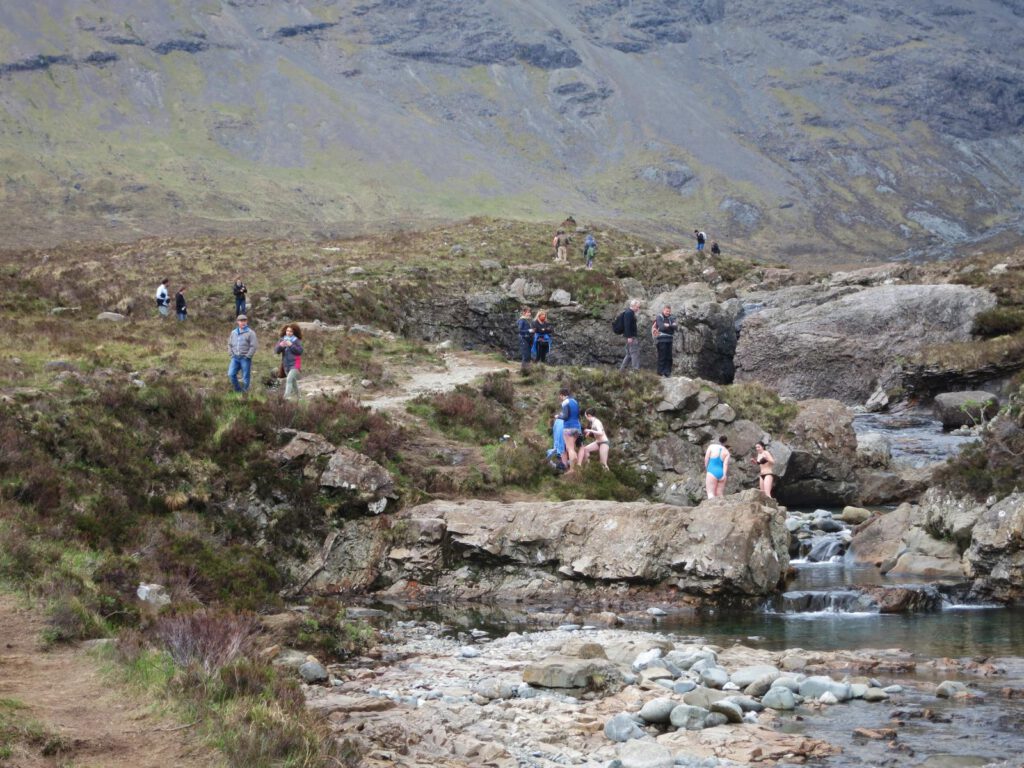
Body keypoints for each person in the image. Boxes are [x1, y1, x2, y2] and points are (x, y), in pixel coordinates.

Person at [227, 314, 258, 393]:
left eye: (244, 321)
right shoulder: (233, 332)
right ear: (238, 322)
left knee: (245, 376)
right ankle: (238, 390)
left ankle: (244, 392)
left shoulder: (251, 333)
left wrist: (248, 356)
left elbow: (253, 346)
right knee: (231, 374)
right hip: (235, 358)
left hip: (245, 358)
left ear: (246, 321)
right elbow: (229, 344)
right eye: (241, 321)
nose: (243, 322)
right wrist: (231, 354)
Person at [275, 323, 304, 400]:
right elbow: (277, 351)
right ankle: (299, 397)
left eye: (291, 331)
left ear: (294, 332)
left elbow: (300, 351)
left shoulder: (296, 341)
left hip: (296, 364)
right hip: (286, 365)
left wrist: (291, 345)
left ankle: (285, 397)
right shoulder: (282, 339)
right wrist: (281, 346)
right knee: (293, 381)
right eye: (287, 331)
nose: (288, 333)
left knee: (289, 379)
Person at [559, 387, 582, 471]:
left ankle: (572, 470)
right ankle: (576, 468)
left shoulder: (565, 402)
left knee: (570, 449)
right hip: (577, 427)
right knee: (573, 448)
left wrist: (558, 416)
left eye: (560, 396)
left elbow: (565, 416)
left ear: (562, 395)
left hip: (568, 427)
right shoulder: (575, 401)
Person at [652, 305, 678, 378]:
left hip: (669, 339)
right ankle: (660, 373)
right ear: (663, 310)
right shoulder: (659, 317)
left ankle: (667, 372)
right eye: (667, 311)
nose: (668, 312)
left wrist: (668, 325)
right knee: (662, 356)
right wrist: (671, 326)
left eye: (669, 311)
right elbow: (662, 327)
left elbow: (676, 327)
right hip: (661, 340)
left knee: (669, 357)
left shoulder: (671, 317)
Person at [619, 300, 641, 371]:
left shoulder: (628, 312)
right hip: (631, 337)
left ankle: (622, 370)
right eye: (637, 307)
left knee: (628, 354)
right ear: (633, 306)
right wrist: (629, 337)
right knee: (635, 353)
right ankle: (636, 370)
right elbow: (627, 326)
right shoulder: (629, 313)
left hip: (629, 336)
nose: (638, 309)